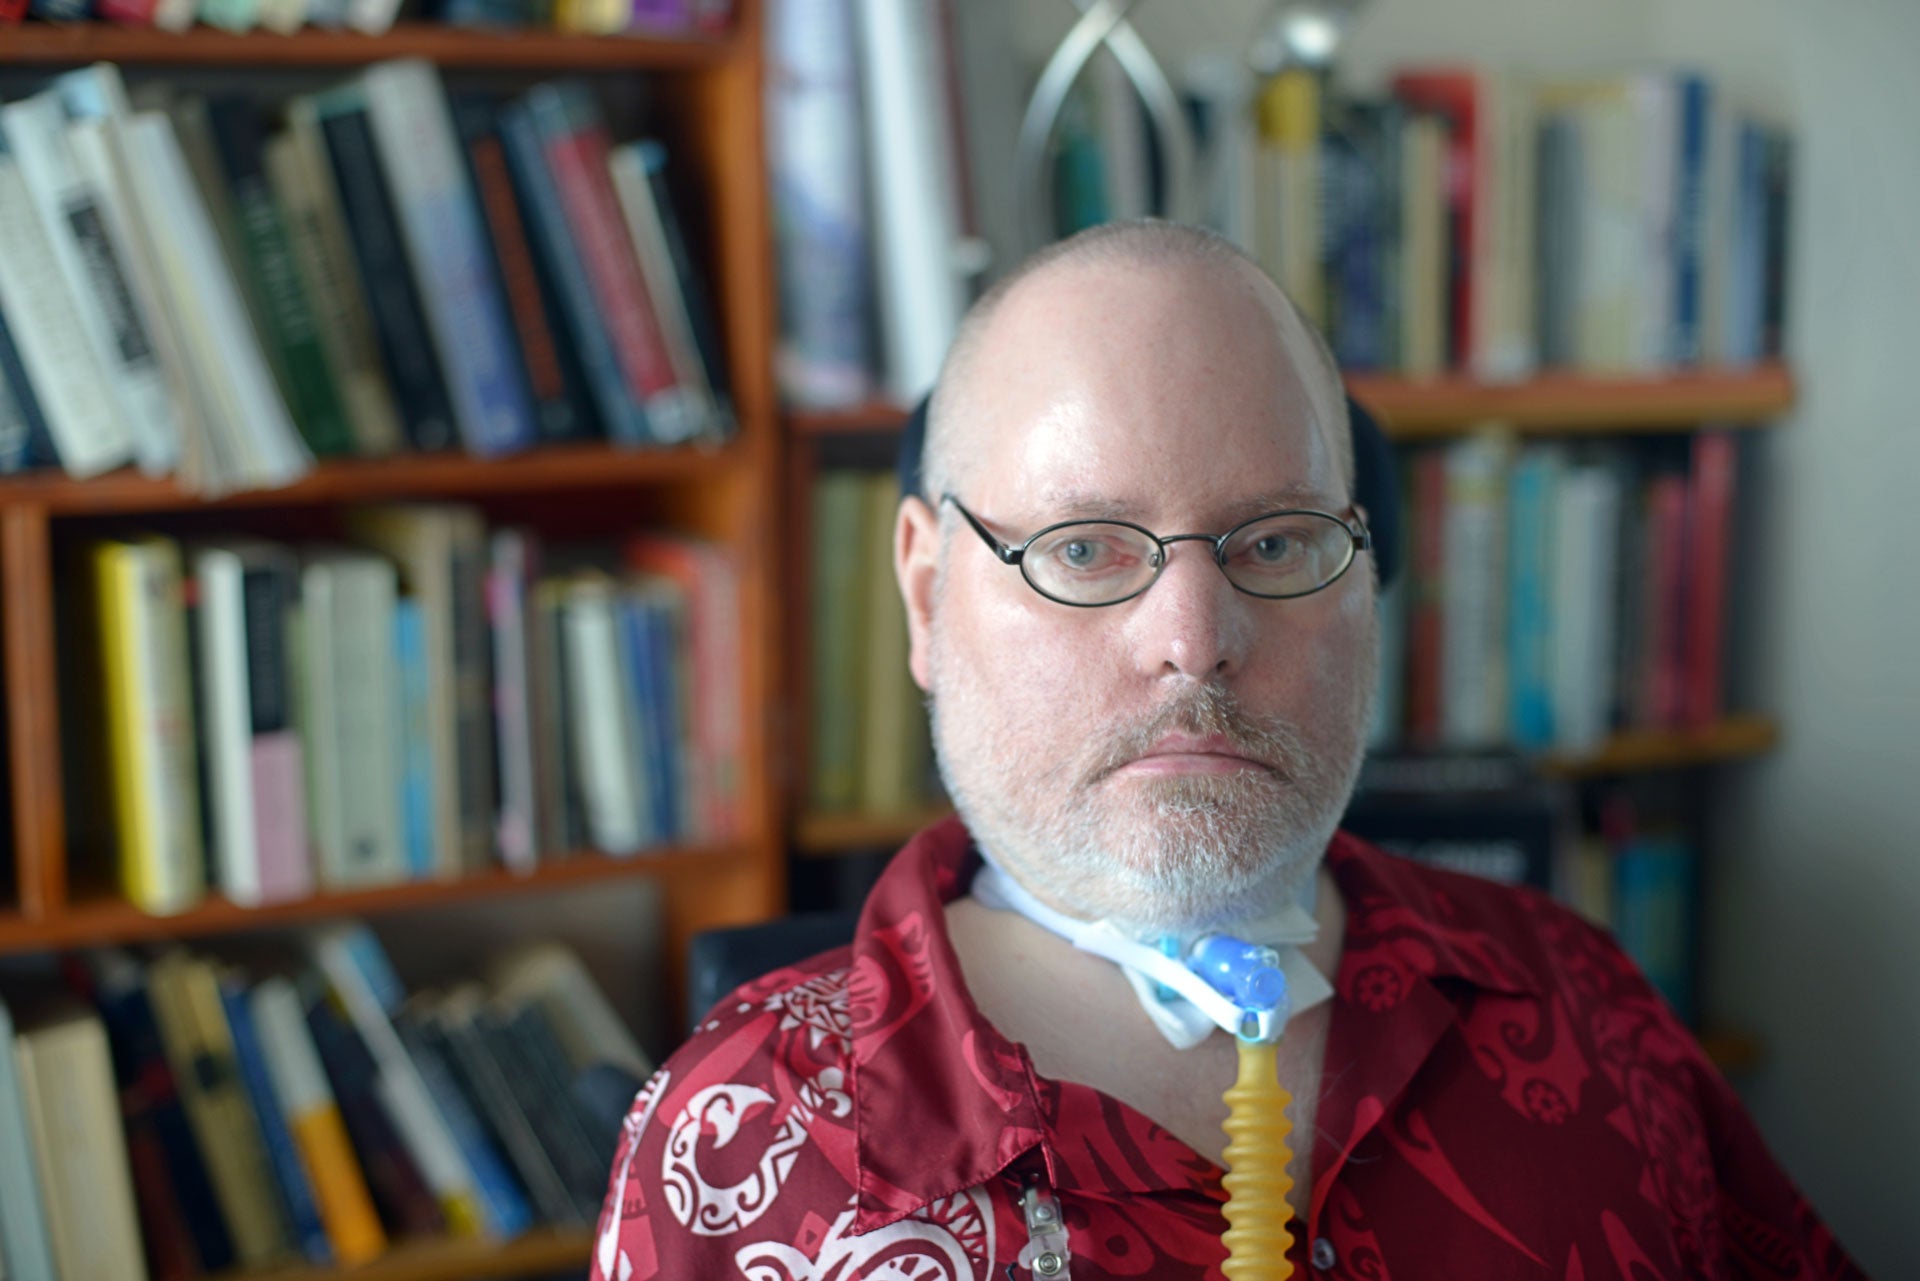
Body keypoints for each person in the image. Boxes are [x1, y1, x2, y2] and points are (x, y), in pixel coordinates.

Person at [589, 222, 1864, 1280]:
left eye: (1273, 543)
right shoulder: (732, 1148)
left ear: (1365, 574)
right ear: (927, 595)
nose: (1195, 640)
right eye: (1084, 547)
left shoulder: (1581, 1009)